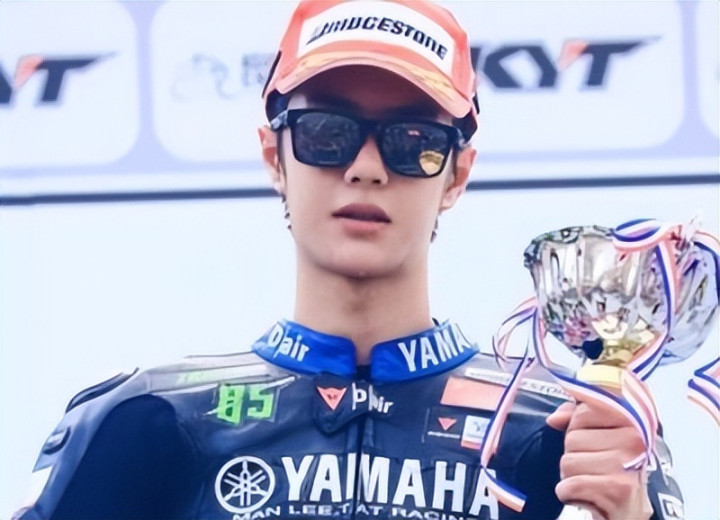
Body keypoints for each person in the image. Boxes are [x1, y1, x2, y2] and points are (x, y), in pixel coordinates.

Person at [14, 1, 683, 519]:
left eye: (413, 141)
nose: (366, 168)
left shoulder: (566, 436)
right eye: (327, 134)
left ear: (456, 174)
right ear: (274, 155)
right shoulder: (147, 422)